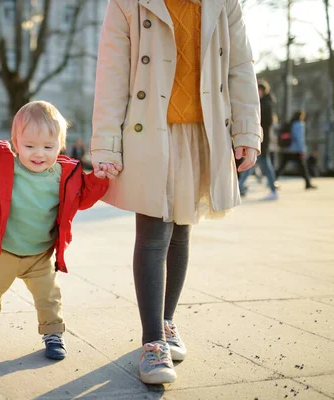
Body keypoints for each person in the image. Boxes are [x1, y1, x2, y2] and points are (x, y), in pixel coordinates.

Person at [91, 0, 260, 384]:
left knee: (182, 229)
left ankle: (166, 323)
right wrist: (105, 144)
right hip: (148, 131)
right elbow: (112, 73)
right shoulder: (128, 4)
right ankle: (152, 343)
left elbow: (240, 67)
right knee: (153, 233)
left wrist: (247, 130)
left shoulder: (223, 3)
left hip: (203, 131)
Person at [0, 101, 117, 360]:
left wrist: (100, 176)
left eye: (48, 147)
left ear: (60, 145)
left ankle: (53, 332)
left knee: (49, 297)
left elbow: (83, 198)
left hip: (40, 255)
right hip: (0, 250)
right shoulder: (2, 165)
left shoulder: (65, 173)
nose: (38, 153)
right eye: (29, 146)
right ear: (16, 143)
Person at [238, 80, 278, 200]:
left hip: (262, 140)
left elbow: (267, 123)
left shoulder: (265, 104)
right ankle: (239, 187)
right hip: (259, 139)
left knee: (262, 165)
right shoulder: (261, 103)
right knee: (251, 165)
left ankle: (273, 190)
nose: (257, 92)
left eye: (259, 90)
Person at [275, 111, 317, 190]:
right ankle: (308, 183)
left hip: (287, 149)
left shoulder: (290, 123)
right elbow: (299, 138)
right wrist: (303, 149)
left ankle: (272, 180)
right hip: (296, 150)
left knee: (281, 166)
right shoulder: (299, 125)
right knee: (303, 167)